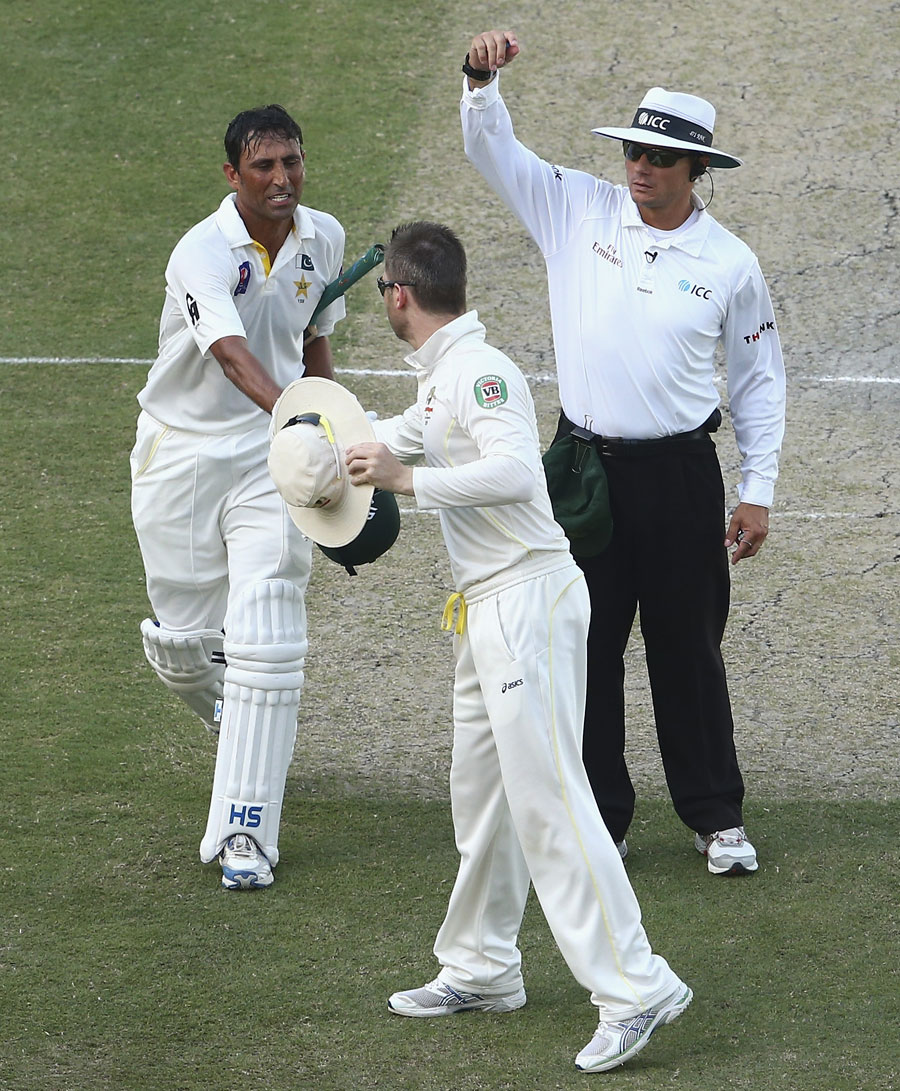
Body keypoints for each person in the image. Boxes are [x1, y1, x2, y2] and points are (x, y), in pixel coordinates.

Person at [344, 220, 691, 1074]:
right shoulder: (441, 379)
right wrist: (313, 445)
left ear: (399, 294)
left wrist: (404, 482)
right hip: (486, 609)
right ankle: (482, 967)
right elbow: (395, 432)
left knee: (549, 798)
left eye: (381, 290)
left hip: (528, 601)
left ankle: (636, 984)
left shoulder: (482, 373)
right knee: (485, 798)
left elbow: (513, 473)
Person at [459, 31, 786, 876]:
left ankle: (717, 817)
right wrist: (479, 81)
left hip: (680, 476)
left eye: (661, 158)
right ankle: (600, 816)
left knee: (689, 650)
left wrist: (757, 490)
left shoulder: (731, 264)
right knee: (584, 650)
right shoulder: (575, 206)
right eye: (635, 150)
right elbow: (494, 152)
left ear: (697, 169)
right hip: (584, 471)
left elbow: (758, 381)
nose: (640, 168)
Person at [130, 104, 346, 890]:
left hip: (266, 456)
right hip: (181, 454)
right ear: (233, 175)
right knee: (185, 647)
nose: (283, 179)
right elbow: (229, 353)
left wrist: (329, 421)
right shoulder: (202, 252)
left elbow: (315, 332)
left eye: (292, 161)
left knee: (268, 622)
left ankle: (245, 833)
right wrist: (302, 415)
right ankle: (238, 712)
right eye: (264, 167)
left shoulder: (324, 238)